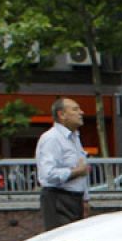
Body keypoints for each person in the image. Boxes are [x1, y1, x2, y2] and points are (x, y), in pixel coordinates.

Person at [36, 97, 89, 230]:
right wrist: (76, 172)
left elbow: (83, 170)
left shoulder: (75, 137)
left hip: (75, 200)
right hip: (58, 198)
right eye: (75, 109)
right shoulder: (51, 138)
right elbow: (48, 174)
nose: (81, 112)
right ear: (62, 114)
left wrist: (85, 198)